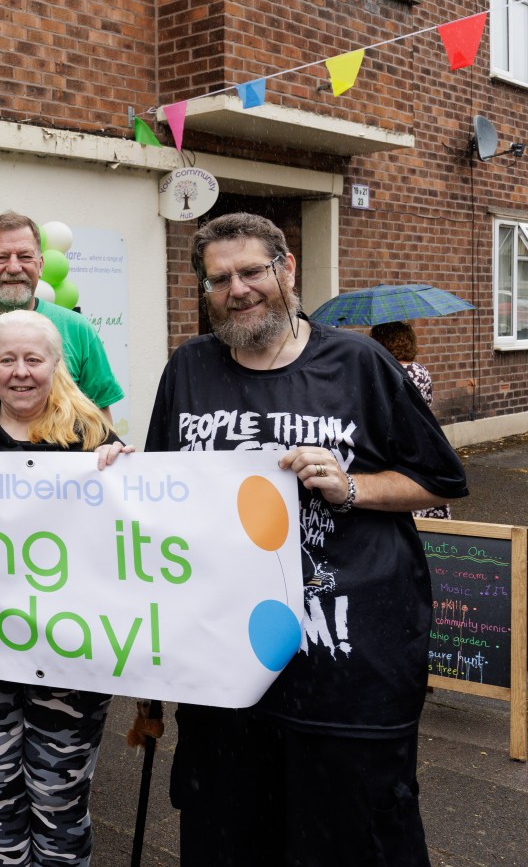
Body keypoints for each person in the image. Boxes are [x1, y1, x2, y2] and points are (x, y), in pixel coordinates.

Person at [146, 212, 468, 865]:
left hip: (347, 673)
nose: (237, 289)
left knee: (352, 844)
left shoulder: (359, 362)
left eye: (251, 271)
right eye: (219, 279)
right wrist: (112, 476)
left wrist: (351, 487)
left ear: (286, 268)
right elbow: (159, 490)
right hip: (227, 676)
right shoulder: (188, 368)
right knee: (231, 841)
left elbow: (438, 479)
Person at [0, 310, 129, 866]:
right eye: (7, 359)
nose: (20, 372)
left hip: (70, 655)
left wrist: (125, 473)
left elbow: (129, 535)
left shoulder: (91, 437)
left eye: (33, 359)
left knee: (60, 797)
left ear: (55, 364)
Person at [0, 211, 123, 416]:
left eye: (25, 256)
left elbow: (100, 416)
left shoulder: (77, 330)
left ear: (40, 265)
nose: (14, 267)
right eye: (1, 257)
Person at [371, 320, 452, 519]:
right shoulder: (420, 371)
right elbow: (427, 405)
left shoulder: (378, 370)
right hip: (419, 441)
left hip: (386, 444)